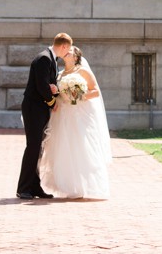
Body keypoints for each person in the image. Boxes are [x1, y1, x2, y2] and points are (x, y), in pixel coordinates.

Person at [39, 45, 112, 199]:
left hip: (80, 115)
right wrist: (55, 91)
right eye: (66, 50)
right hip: (63, 116)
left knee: (82, 149)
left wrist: (77, 96)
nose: (67, 52)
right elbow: (59, 94)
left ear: (76, 56)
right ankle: (70, 187)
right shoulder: (60, 74)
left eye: (71, 51)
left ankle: (88, 186)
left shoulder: (83, 71)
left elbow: (96, 91)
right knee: (65, 148)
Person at [16, 32, 72, 200]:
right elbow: (41, 86)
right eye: (67, 49)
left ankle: (34, 187)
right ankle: (23, 188)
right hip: (34, 108)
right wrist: (52, 102)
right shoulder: (44, 58)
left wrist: (54, 89)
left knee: (38, 149)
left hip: (38, 109)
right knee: (33, 147)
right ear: (63, 46)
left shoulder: (49, 58)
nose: (67, 53)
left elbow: (47, 83)